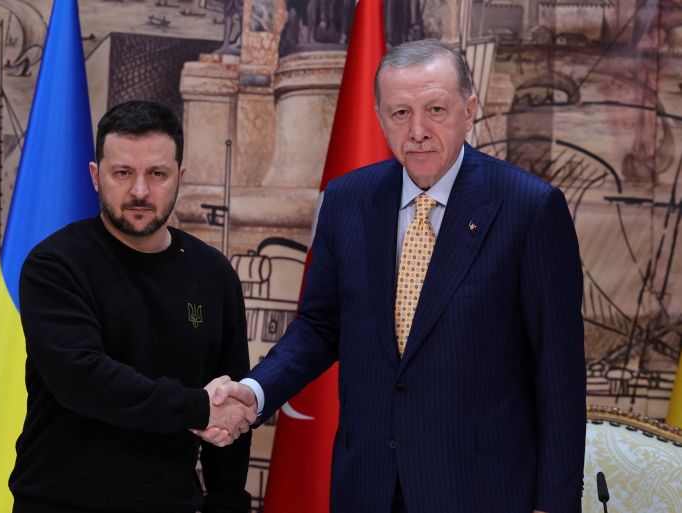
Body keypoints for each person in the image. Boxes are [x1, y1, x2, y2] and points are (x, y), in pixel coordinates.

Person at [208, 40, 586, 513]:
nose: (418, 131)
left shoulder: (529, 209)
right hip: (368, 484)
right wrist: (255, 391)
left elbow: (560, 375)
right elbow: (321, 326)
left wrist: (555, 504)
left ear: (469, 110)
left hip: (482, 489)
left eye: (436, 109)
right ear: (380, 117)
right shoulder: (347, 199)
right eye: (401, 113)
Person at [9, 100, 254, 513]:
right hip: (60, 502)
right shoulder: (54, 265)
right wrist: (196, 406)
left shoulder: (213, 273)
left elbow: (231, 402)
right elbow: (83, 380)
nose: (139, 191)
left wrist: (227, 502)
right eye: (122, 172)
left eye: (156, 174)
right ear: (95, 176)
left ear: (180, 177)